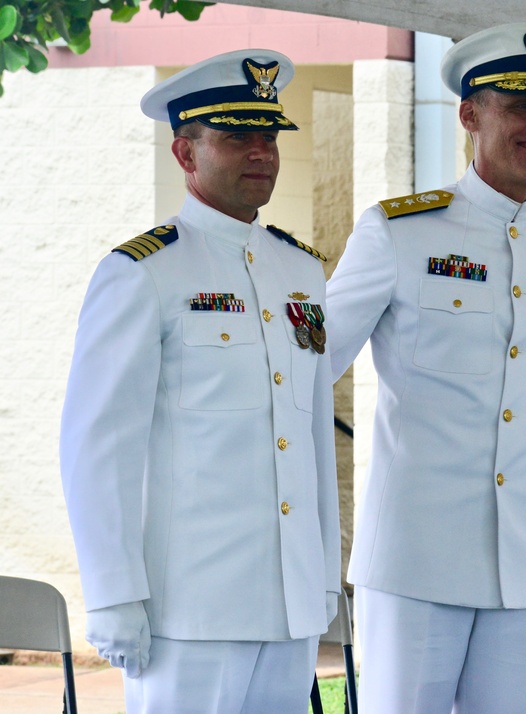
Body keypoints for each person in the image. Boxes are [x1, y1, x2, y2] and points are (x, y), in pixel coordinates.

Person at [325, 22, 526, 714]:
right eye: (522, 106)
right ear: (471, 114)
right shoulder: (399, 232)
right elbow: (311, 363)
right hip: (418, 557)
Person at [60, 49, 341, 713]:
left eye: (268, 135)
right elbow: (98, 446)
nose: (261, 152)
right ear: (185, 154)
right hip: (188, 609)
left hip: (288, 607)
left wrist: (323, 576)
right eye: (237, 136)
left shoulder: (301, 271)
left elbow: (310, 436)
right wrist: (113, 591)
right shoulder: (144, 272)